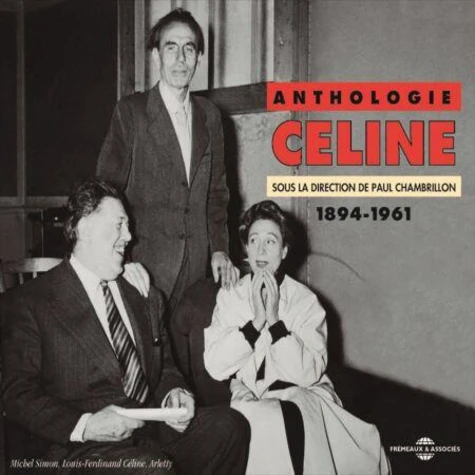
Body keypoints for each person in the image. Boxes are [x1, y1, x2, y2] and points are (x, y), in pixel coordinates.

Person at [1, 179, 250, 475]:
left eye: (128, 226)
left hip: (150, 435)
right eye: (119, 225)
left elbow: (164, 366)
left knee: (230, 427)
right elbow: (17, 393)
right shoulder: (31, 301)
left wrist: (175, 393)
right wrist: (86, 425)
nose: (129, 237)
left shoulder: (144, 294)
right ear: (84, 228)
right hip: (81, 450)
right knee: (149, 468)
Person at [204, 200, 391, 475]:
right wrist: (256, 322)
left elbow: (307, 374)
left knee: (302, 415)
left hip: (306, 392)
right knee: (266, 418)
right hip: (253, 396)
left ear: (284, 251)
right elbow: (215, 365)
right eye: (254, 240)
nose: (261, 250)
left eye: (271, 241)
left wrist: (275, 321)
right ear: (246, 249)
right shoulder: (231, 296)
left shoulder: (305, 301)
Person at [97, 8, 237, 310]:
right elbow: (106, 194)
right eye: (171, 48)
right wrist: (122, 260)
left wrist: (220, 249)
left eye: (189, 49)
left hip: (197, 270)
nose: (181, 59)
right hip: (142, 270)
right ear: (156, 56)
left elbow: (217, 193)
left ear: (199, 58)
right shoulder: (131, 112)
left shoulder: (210, 116)